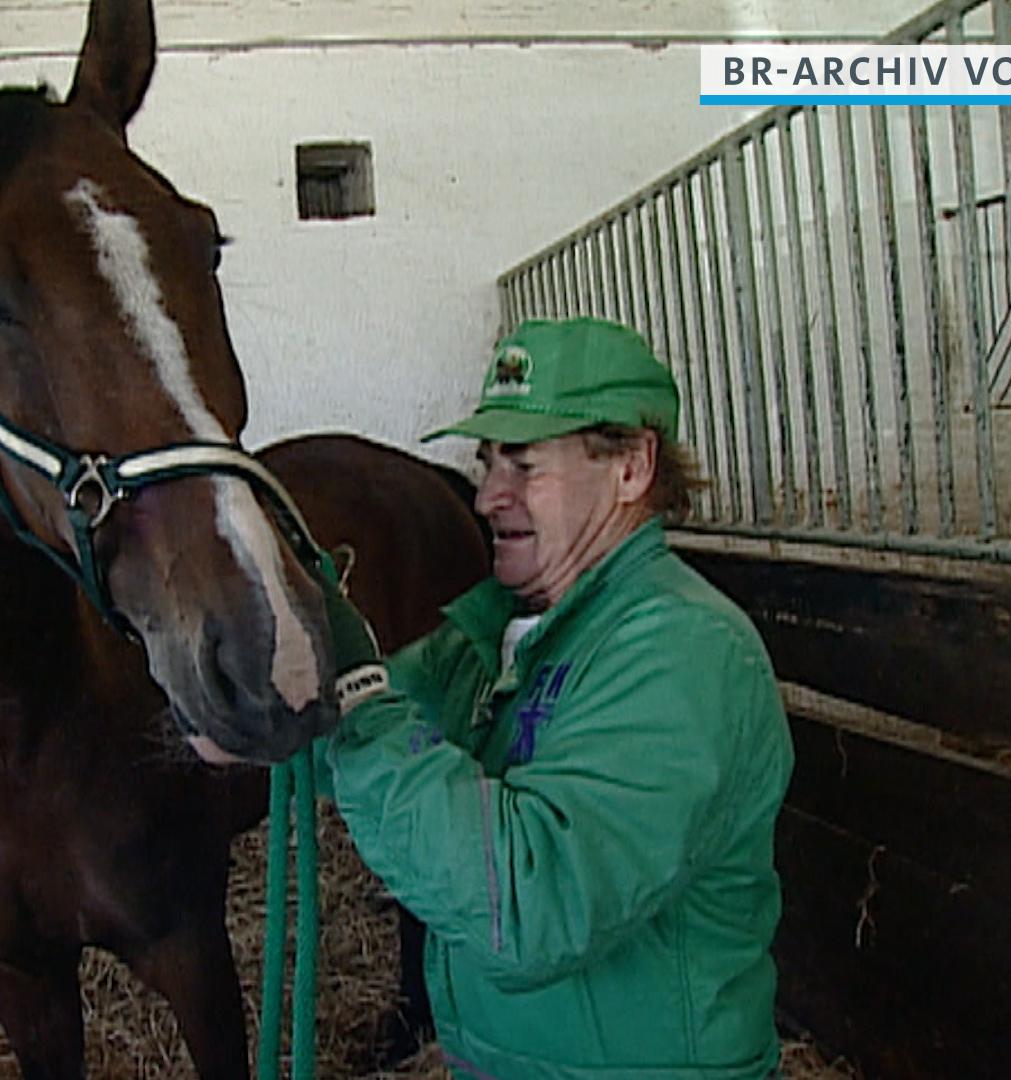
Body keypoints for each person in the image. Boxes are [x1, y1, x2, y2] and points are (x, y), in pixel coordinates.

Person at [319, 316, 795, 1080]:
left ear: (633, 467)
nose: (487, 498)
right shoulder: (496, 634)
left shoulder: (686, 652)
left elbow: (533, 905)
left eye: (524, 465)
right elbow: (338, 735)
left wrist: (357, 699)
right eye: (486, 463)